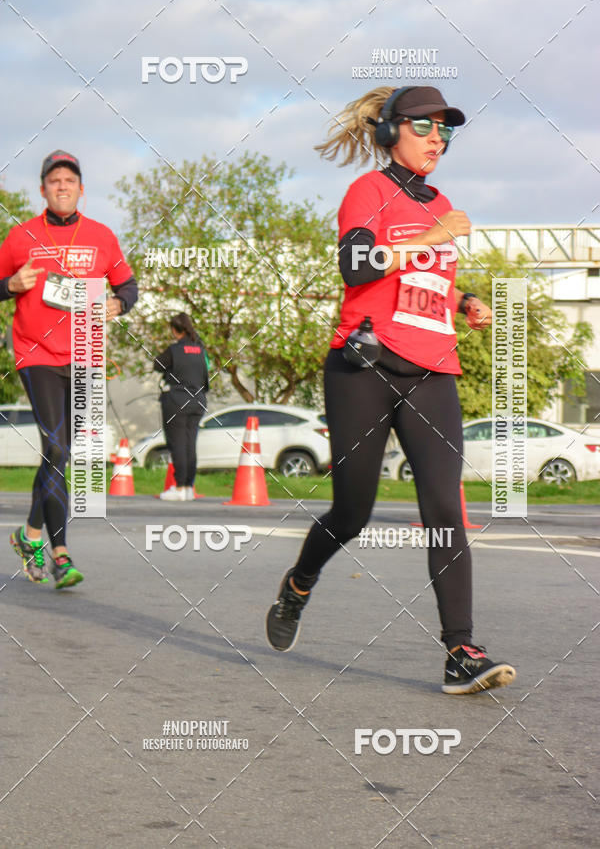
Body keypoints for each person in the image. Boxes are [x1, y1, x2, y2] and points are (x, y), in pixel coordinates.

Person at [266, 86, 516, 695]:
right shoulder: (368, 193)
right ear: (390, 132)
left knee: (444, 511)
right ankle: (299, 582)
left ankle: (461, 651)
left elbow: (422, 281)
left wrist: (465, 301)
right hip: (365, 366)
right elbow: (357, 267)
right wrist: (431, 238)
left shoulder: (443, 203)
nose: (438, 140)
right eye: (427, 127)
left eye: (446, 132)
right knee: (354, 510)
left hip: (434, 369)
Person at [0, 150, 138, 587]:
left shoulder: (101, 236)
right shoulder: (20, 236)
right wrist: (10, 285)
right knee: (57, 448)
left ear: (81, 189)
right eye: (54, 180)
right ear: (42, 189)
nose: (62, 186)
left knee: (62, 454)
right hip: (36, 353)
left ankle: (29, 533)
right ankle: (60, 554)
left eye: (70, 180)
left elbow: (128, 285)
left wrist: (120, 303)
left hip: (85, 353)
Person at [153, 313, 209, 500]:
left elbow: (157, 365)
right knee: (189, 444)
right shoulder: (201, 350)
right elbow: (205, 375)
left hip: (177, 401)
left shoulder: (174, 350)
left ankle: (178, 488)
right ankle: (187, 487)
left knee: (177, 444)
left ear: (175, 330)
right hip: (198, 401)